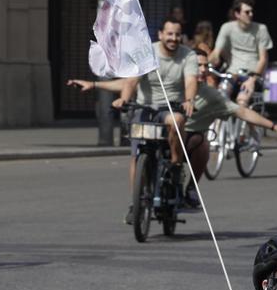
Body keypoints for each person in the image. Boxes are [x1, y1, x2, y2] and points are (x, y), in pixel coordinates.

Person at [69, 17, 199, 222]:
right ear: (161, 35)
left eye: (176, 34)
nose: (173, 38)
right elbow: (131, 80)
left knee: (177, 121)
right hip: (145, 109)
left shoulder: (188, 55)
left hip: (170, 107)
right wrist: (124, 99)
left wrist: (189, 100)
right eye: (169, 34)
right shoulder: (147, 52)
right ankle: (136, 202)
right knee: (137, 154)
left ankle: (175, 164)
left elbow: (191, 81)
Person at [213, 0, 273, 106]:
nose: (251, 14)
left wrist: (253, 79)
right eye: (247, 12)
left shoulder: (261, 29)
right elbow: (216, 51)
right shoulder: (227, 28)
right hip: (232, 73)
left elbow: (263, 58)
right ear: (237, 14)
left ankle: (245, 121)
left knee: (242, 100)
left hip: (252, 74)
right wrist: (213, 60)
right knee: (220, 98)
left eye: (251, 11)